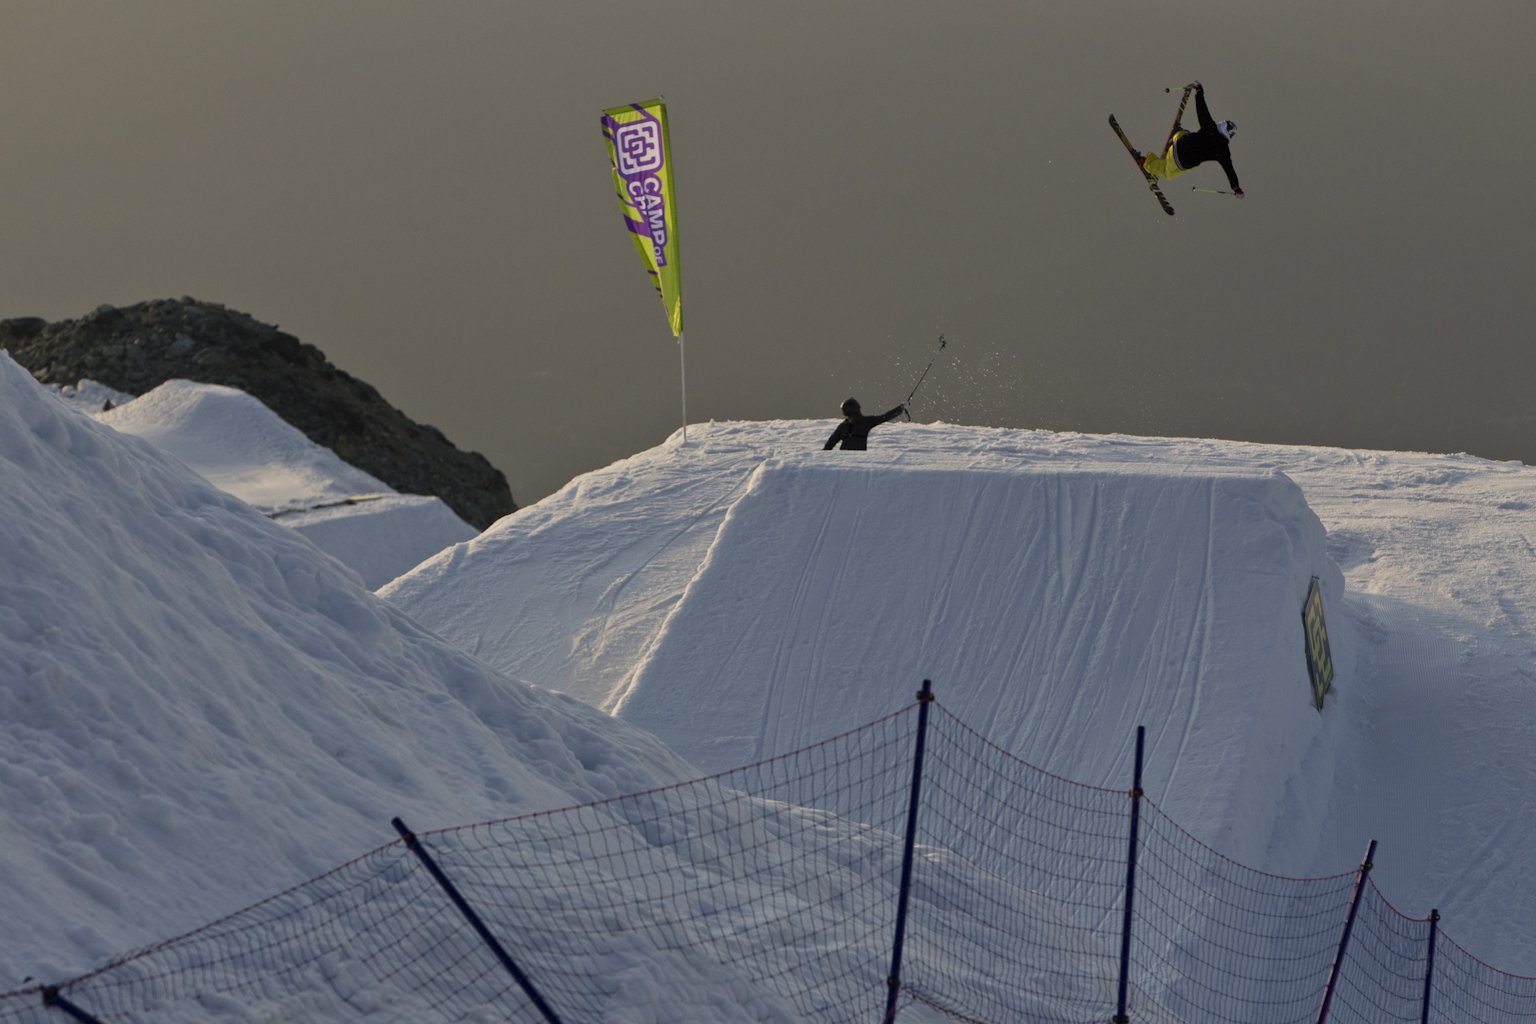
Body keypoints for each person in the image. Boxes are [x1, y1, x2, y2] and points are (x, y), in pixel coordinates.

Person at [1137, 82, 1243, 197]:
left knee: (1184, 133)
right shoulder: (1223, 151)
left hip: (1180, 142)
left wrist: (1199, 92)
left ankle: (1175, 134)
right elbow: (1229, 170)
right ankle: (1146, 163)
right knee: (1168, 173)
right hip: (1183, 160)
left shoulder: (1210, 127)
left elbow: (1202, 111)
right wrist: (1236, 187)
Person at [823, 397, 905, 451]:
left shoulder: (866, 422)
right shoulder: (843, 426)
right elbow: (829, 444)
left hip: (859, 459)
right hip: (844, 460)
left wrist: (901, 408)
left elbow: (885, 417)